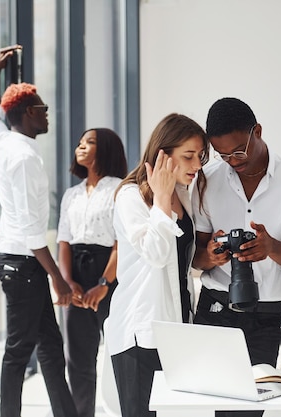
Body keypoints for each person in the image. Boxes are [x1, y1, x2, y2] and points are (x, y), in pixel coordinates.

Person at [191, 97, 281, 417]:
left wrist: (271, 247)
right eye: (223, 154)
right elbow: (195, 258)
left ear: (257, 131)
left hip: (267, 313)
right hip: (215, 305)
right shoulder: (207, 180)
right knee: (209, 404)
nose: (232, 161)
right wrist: (212, 257)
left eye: (238, 151)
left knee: (250, 409)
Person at [0, 46, 79, 417]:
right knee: (19, 349)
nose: (47, 114)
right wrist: (57, 277)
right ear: (27, 114)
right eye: (42, 109)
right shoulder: (22, 158)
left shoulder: (3, 140)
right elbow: (30, 227)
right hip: (24, 263)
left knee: (50, 347)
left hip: (23, 262)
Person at [105, 113, 209, 417]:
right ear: (163, 155)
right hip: (141, 331)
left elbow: (180, 262)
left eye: (200, 156)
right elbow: (156, 254)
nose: (197, 165)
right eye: (188, 156)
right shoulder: (130, 196)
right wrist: (161, 199)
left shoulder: (182, 194)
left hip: (176, 328)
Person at [56, 128, 127, 417]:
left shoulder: (120, 188)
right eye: (80, 143)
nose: (81, 146)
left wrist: (103, 284)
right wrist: (67, 281)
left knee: (119, 354)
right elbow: (63, 240)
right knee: (78, 360)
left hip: (109, 275)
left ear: (106, 149)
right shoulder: (71, 194)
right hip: (75, 272)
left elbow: (120, 243)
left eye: (90, 142)